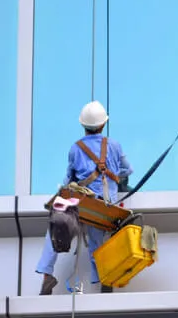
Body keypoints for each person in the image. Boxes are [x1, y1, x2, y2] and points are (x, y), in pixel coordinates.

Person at [36, 101, 133, 295]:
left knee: (56, 229)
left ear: (83, 125)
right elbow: (127, 170)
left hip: (82, 204)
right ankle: (104, 279)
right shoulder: (114, 145)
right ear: (103, 124)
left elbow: (68, 179)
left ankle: (47, 274)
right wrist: (114, 175)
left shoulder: (76, 148)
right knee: (97, 241)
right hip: (105, 206)